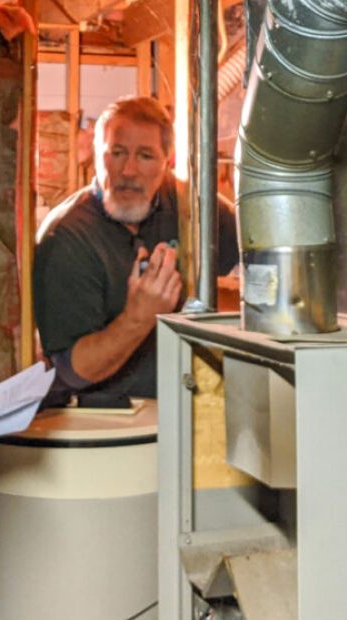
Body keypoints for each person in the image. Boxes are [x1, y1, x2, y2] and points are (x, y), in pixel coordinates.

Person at [33, 95, 238, 400]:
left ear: (167, 160)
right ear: (95, 155)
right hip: (105, 423)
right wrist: (139, 316)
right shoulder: (66, 237)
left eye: (145, 156)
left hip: (190, 408)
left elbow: (255, 263)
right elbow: (71, 370)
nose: (129, 170)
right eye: (116, 153)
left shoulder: (190, 207)